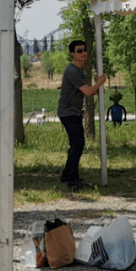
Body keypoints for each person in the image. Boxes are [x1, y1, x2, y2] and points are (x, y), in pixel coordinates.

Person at [57, 40, 106, 191]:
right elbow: (88, 92)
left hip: (74, 111)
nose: (83, 53)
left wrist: (96, 88)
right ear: (73, 54)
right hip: (68, 112)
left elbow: (86, 90)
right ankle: (72, 178)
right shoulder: (72, 70)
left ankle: (67, 175)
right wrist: (101, 82)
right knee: (78, 143)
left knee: (76, 144)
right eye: (79, 51)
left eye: (85, 50)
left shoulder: (80, 71)